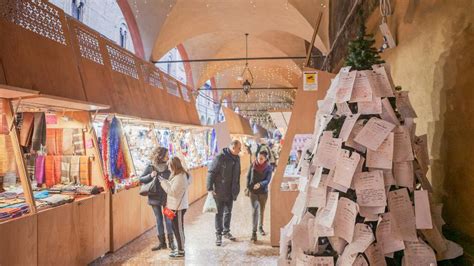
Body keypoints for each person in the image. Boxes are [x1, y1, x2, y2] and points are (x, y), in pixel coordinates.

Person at [139, 147, 175, 251]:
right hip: (154, 197)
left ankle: (171, 242)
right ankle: (162, 243)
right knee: (159, 220)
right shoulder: (151, 166)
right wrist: (150, 175)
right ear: (160, 155)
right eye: (166, 155)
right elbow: (141, 179)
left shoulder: (169, 165)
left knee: (168, 219)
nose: (168, 156)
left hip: (167, 198)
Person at [207, 139, 241, 246]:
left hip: (231, 191)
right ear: (233, 147)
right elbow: (211, 173)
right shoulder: (220, 158)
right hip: (219, 191)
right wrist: (209, 188)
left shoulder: (237, 158)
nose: (240, 150)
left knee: (228, 212)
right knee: (219, 213)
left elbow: (238, 174)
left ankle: (226, 231)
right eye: (239, 148)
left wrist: (237, 188)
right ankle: (218, 234)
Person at [159, 156, 190, 258]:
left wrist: (163, 183)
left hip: (179, 207)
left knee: (178, 229)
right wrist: (165, 181)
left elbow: (173, 192)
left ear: (174, 166)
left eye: (169, 166)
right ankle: (179, 248)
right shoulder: (177, 175)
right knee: (175, 228)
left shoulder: (180, 176)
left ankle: (181, 251)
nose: (168, 168)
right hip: (175, 206)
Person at [246, 150, 272, 242]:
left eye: (261, 158)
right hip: (253, 192)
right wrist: (248, 188)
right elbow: (248, 177)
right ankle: (254, 232)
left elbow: (268, 180)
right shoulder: (252, 165)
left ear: (265, 159)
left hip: (263, 192)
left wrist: (260, 184)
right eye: (258, 157)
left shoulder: (268, 168)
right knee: (255, 210)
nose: (259, 160)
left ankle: (260, 227)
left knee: (262, 210)